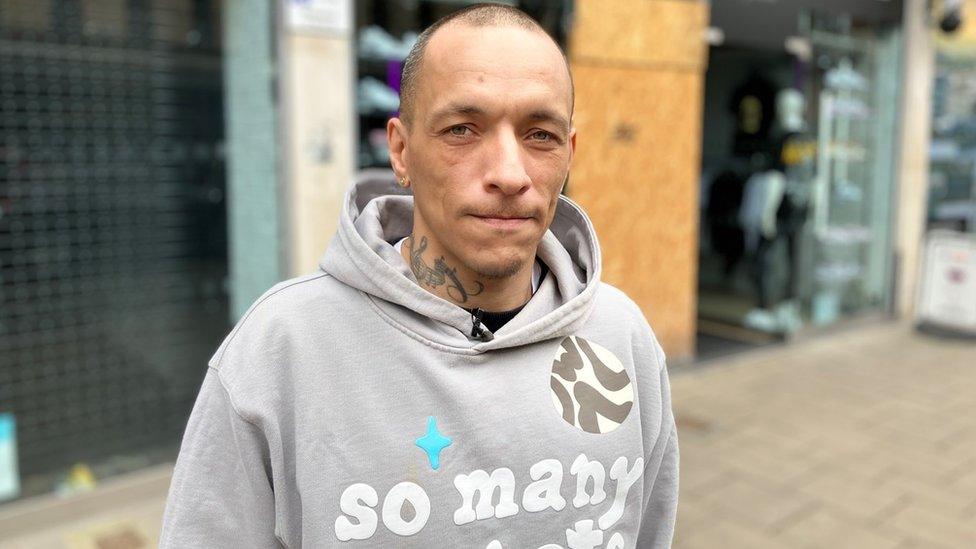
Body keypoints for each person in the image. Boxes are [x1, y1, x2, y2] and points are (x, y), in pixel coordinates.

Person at [160, 4, 678, 548]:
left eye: (540, 135)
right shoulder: (281, 351)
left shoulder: (624, 338)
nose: (508, 173)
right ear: (401, 151)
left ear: (568, 155)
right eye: (462, 129)